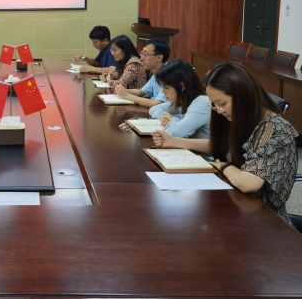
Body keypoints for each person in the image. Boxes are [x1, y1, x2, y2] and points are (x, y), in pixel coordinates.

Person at [152, 62, 298, 224]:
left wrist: (225, 167)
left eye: (222, 104)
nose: (219, 110)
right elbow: (220, 146)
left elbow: (248, 183)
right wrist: (173, 141)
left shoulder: (274, 128)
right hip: (237, 208)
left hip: (266, 222)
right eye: (214, 104)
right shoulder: (244, 118)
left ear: (243, 95)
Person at [148, 59, 210, 138]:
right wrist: (165, 117)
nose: (163, 91)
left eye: (166, 87)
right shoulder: (183, 100)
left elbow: (178, 132)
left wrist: (172, 119)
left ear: (181, 86)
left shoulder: (201, 103)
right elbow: (154, 109)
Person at [114, 38, 170, 107]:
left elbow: (156, 104)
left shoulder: (169, 75)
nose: (141, 59)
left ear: (159, 57)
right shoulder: (156, 73)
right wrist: (123, 91)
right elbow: (140, 92)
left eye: (145, 54)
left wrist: (126, 95)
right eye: (142, 54)